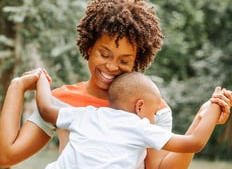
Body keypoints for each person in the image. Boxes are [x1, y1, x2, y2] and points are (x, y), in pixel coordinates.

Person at [0, 0, 232, 168]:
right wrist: (17, 87)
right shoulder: (62, 101)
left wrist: (200, 118)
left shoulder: (152, 108)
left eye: (124, 60)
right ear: (89, 48)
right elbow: (7, 156)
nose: (111, 66)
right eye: (104, 54)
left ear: (137, 61)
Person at [35, 71, 228, 169]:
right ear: (140, 106)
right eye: (153, 112)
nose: (153, 119)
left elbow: (45, 109)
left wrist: (42, 79)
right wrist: (214, 106)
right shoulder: (140, 127)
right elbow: (194, 142)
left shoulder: (86, 113)